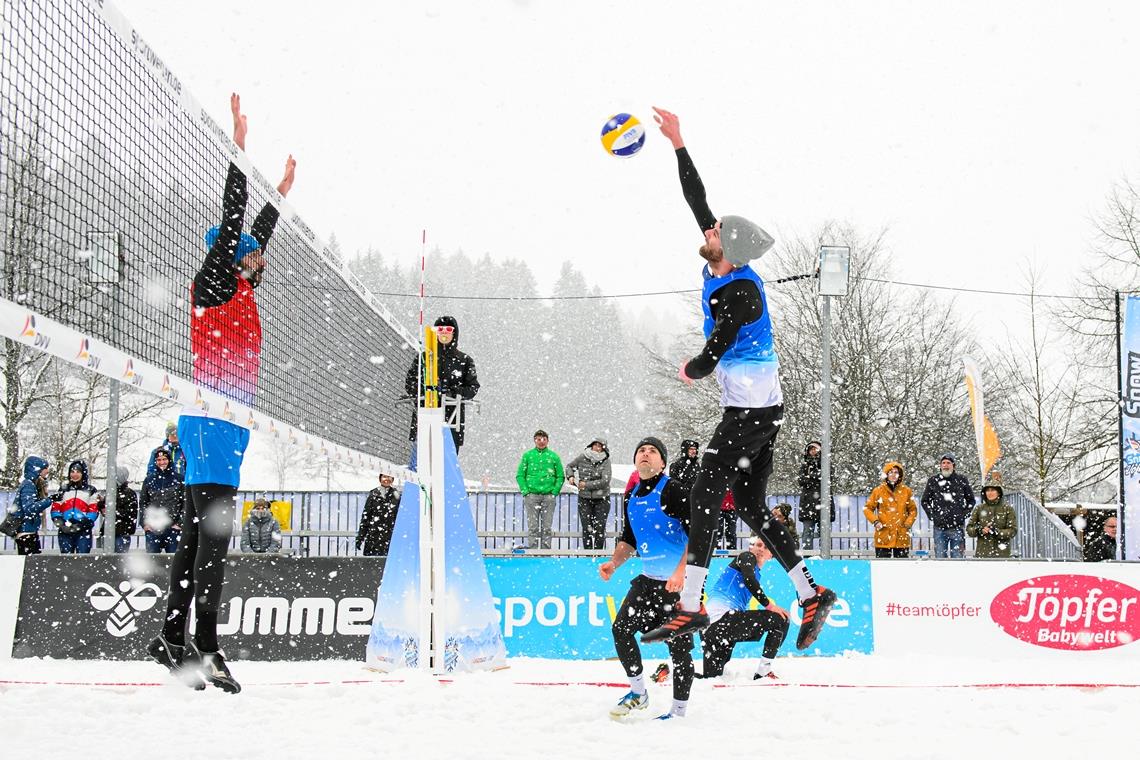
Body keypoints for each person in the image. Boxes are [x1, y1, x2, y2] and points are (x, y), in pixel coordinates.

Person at [641, 107, 834, 650]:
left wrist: (693, 368)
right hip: (760, 411)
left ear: (730, 250)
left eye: (716, 232)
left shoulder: (741, 290)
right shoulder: (719, 259)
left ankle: (689, 604)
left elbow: (718, 344)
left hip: (750, 412)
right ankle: (810, 592)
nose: (708, 230)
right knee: (748, 505)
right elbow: (695, 197)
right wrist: (678, 143)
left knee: (706, 493)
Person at [148, 92, 295, 695]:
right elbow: (236, 221)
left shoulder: (243, 286)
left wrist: (281, 196)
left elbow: (254, 229)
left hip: (227, 423)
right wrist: (239, 149)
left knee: (197, 538)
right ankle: (205, 645)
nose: (261, 258)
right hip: (209, 420)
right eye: (251, 254)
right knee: (214, 539)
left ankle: (171, 636)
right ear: (231, 258)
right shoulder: (213, 283)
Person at [599, 437, 694, 720]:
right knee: (621, 630)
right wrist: (614, 563)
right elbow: (630, 539)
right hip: (648, 581)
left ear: (662, 463)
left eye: (653, 451)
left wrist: (681, 572)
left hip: (678, 585)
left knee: (679, 649)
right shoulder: (631, 496)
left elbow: (697, 536)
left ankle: (678, 712)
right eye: (641, 450)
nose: (646, 453)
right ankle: (639, 693)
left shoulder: (674, 489)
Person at [696, 534, 790, 680]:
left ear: (771, 555)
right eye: (759, 545)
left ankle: (669, 674)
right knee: (780, 618)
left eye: (766, 548)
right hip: (722, 622)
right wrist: (770, 606)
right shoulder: (746, 557)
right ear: (751, 547)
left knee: (710, 678)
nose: (761, 549)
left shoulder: (755, 572)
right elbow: (749, 580)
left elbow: (751, 580)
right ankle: (764, 671)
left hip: (710, 631)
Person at [405, 315, 480, 451]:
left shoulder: (464, 360)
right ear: (435, 332)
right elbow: (410, 382)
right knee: (421, 462)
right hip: (424, 417)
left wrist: (453, 392)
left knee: (447, 464)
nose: (444, 332)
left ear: (454, 332)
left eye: (448, 329)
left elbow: (473, 388)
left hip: (451, 422)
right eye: (440, 328)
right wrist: (426, 390)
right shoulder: (424, 358)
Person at [515, 430, 564, 550]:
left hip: (548, 496)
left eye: (543, 439)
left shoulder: (554, 456)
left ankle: (545, 552)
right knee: (533, 526)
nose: (541, 442)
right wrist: (525, 491)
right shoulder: (528, 456)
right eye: (538, 439)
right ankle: (532, 550)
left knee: (547, 527)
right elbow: (520, 475)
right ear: (534, 440)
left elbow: (560, 476)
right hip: (532, 496)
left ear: (548, 441)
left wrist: (554, 492)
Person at [920, 454, 975, 559]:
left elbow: (971, 500)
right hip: (939, 528)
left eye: (948, 463)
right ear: (940, 466)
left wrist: (963, 514)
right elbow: (925, 501)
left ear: (953, 465)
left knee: (958, 558)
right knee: (940, 558)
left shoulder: (962, 480)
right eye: (943, 463)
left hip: (957, 527)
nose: (945, 465)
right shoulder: (933, 481)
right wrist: (932, 515)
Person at [566, 437, 613, 550]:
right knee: (586, 528)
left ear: (604, 449)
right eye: (595, 445)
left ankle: (598, 555)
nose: (597, 448)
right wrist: (571, 476)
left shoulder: (606, 461)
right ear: (591, 445)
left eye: (600, 446)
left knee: (600, 528)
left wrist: (586, 485)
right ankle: (587, 556)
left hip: (602, 499)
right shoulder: (583, 457)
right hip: (584, 499)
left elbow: (605, 480)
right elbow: (569, 466)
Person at [864, 461, 917, 558]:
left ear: (900, 475)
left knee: (902, 568)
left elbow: (913, 510)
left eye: (896, 472)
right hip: (884, 535)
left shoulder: (906, 491)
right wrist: (876, 521)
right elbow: (867, 508)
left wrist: (907, 524)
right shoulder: (878, 491)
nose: (893, 475)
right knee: (882, 568)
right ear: (886, 474)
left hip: (901, 535)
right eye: (890, 472)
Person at [50, 459, 100, 554]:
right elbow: (55, 509)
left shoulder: (90, 490)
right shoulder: (63, 489)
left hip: (83, 531)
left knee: (83, 561)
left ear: (83, 474)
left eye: (78, 472)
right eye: (72, 472)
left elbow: (93, 511)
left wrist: (81, 524)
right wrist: (61, 524)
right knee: (66, 561)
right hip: (65, 530)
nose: (74, 474)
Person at [140, 448, 184, 554]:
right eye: (159, 460)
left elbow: (185, 503)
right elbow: (143, 503)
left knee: (173, 562)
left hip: (173, 527)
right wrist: (145, 524)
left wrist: (179, 523)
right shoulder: (149, 480)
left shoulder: (179, 478)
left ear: (169, 460)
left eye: (164, 459)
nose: (162, 462)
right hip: (153, 528)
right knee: (152, 564)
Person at [966, 479, 1017, 559]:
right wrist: (980, 530)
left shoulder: (1007, 509)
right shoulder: (979, 508)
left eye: (992, 490)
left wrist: (998, 532)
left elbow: (1013, 530)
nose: (989, 493)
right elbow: (969, 528)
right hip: (983, 552)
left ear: (998, 492)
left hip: (1002, 553)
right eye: (987, 490)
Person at [797, 440, 835, 550]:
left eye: (815, 449)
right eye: (811, 449)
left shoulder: (827, 464)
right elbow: (801, 480)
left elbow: (828, 478)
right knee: (807, 534)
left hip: (824, 504)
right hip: (807, 505)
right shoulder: (804, 465)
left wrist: (810, 476)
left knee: (824, 534)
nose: (813, 451)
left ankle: (824, 558)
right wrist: (817, 477)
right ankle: (808, 558)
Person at [14, 456, 52, 555]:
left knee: (33, 564)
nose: (47, 471)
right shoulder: (29, 485)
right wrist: (49, 500)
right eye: (45, 468)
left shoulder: (32, 484)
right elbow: (30, 509)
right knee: (31, 564)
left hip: (28, 531)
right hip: (26, 532)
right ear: (37, 470)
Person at [357, 472, 401, 556]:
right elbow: (366, 517)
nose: (386, 479)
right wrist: (361, 537)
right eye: (384, 476)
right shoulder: (373, 494)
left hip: (390, 537)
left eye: (389, 477)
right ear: (380, 478)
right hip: (374, 537)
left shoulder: (397, 496)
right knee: (372, 564)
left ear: (392, 479)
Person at [99, 466, 139, 553]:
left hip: (121, 532)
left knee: (119, 560)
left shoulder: (129, 493)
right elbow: (105, 510)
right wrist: (101, 504)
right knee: (110, 561)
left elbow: (129, 513)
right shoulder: (111, 491)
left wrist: (111, 510)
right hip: (109, 531)